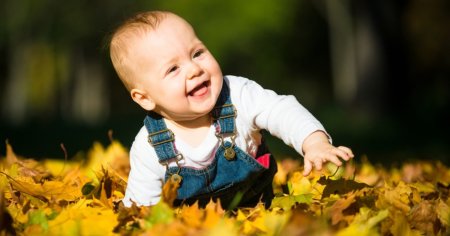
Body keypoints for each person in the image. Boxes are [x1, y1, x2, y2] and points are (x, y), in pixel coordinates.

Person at [109, 11, 354, 208]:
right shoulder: (149, 147)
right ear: (145, 98)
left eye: (197, 53)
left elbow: (281, 110)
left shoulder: (237, 95)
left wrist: (313, 142)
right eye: (173, 69)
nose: (194, 69)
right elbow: (141, 207)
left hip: (259, 212)